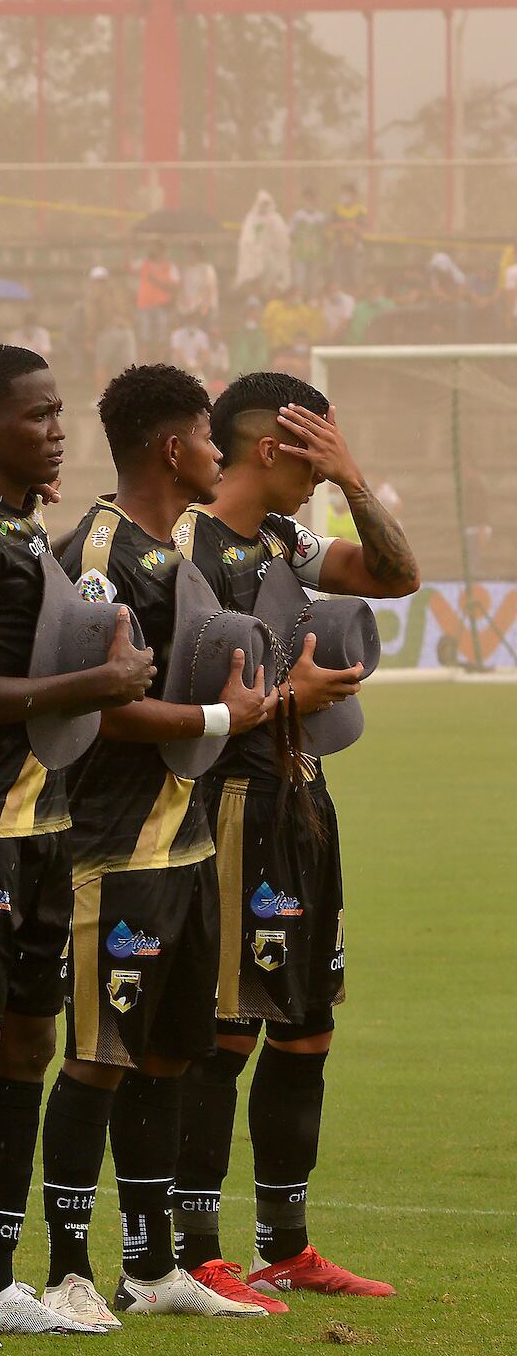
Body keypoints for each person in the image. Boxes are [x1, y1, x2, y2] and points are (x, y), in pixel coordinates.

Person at [0, 345, 156, 1336]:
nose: (57, 430)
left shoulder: (27, 525)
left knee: (25, 1044)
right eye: (36, 415)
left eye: (60, 414)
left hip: (45, 821)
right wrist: (94, 687)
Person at [169, 372, 417, 1306]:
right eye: (317, 451)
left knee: (307, 1026)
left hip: (301, 799)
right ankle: (194, 1252)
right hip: (225, 804)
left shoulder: (287, 540)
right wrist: (282, 704)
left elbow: (396, 576)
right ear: (272, 446)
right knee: (226, 1028)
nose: (323, 472)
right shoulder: (183, 540)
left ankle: (287, 1245)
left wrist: (354, 480)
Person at [45, 364, 274, 1319]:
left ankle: (149, 1268)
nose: (220, 455)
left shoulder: (172, 552)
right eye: (210, 439)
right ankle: (63, 1270)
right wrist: (225, 718)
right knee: (97, 1053)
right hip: (112, 844)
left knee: (169, 1053)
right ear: (174, 448)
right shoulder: (98, 551)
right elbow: (104, 705)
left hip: (182, 843)